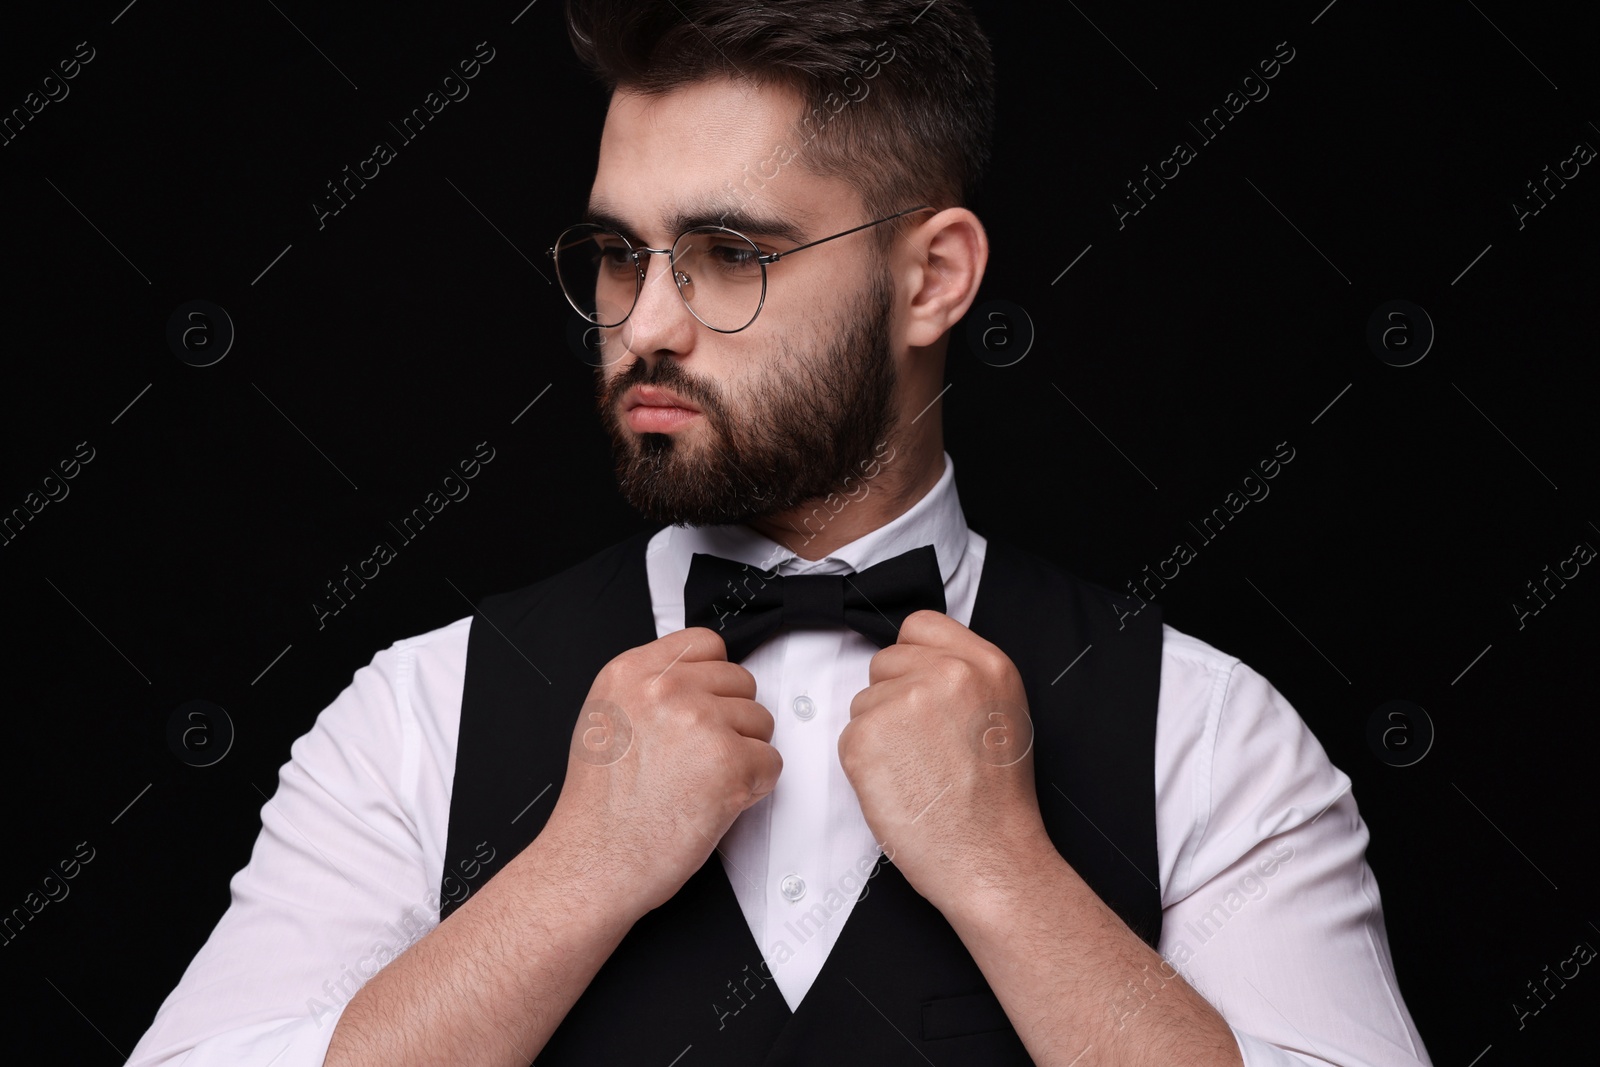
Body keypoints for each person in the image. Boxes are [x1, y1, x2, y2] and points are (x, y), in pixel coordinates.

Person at [127, 1, 1433, 1064]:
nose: (642, 323)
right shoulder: (418, 712)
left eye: (730, 255)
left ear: (932, 278)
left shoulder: (1210, 734)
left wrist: (1005, 876)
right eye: (617, 253)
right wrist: (568, 878)